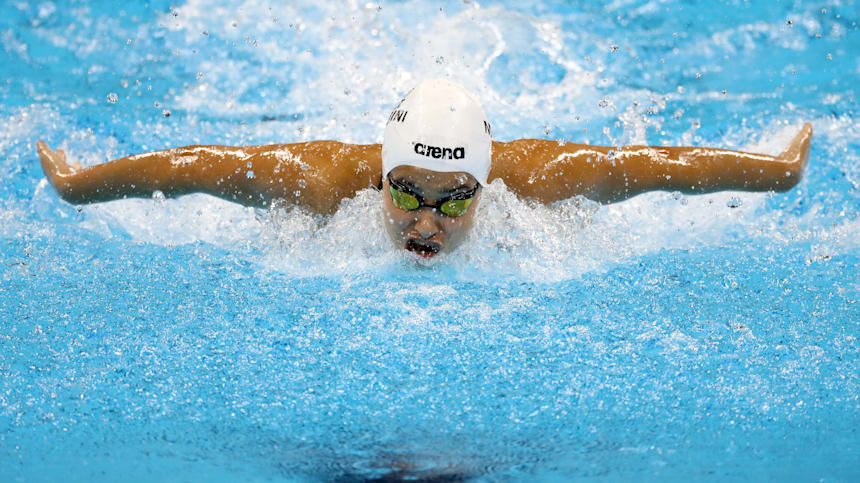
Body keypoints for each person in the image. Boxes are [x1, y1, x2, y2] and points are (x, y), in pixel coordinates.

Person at [38, 79, 812, 258]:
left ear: (485, 186)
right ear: (381, 175)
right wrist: (78, 189)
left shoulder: (535, 178)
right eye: (405, 190)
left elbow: (654, 168)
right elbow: (196, 166)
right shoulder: (321, 182)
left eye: (453, 200)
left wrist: (774, 174)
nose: (425, 221)